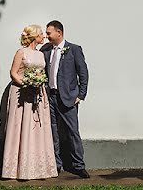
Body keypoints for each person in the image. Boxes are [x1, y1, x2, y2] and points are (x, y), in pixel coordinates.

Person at [0, 25, 58, 180]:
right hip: (22, 93)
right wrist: (26, 84)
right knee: (21, 127)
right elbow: (13, 72)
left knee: (36, 129)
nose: (44, 37)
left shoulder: (40, 54)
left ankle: (38, 168)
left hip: (38, 94)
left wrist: (37, 85)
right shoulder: (21, 52)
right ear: (34, 37)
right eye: (41, 34)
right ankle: (16, 169)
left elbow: (42, 73)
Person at [41, 20, 90, 178]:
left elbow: (83, 74)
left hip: (68, 98)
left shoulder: (74, 49)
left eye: (49, 33)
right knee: (53, 132)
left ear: (59, 33)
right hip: (51, 97)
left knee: (72, 132)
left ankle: (78, 165)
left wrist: (80, 95)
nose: (46, 36)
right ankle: (56, 165)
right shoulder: (46, 50)